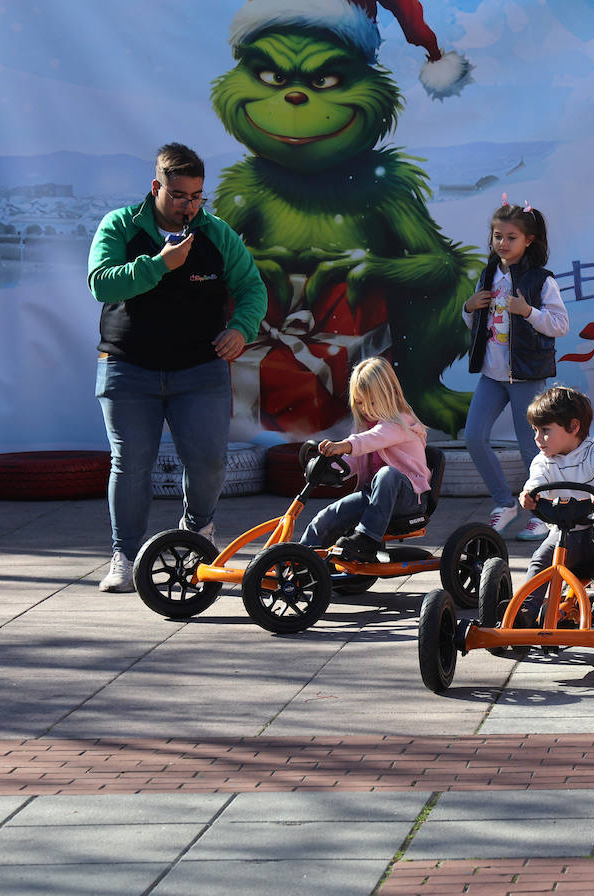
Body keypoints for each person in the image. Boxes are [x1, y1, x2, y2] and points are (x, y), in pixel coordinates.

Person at [87, 142, 267, 593]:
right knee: (131, 464)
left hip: (199, 368)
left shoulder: (216, 233)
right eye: (180, 195)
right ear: (156, 187)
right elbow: (100, 282)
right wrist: (159, 265)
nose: (189, 205)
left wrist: (242, 329)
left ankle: (197, 531)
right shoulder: (121, 225)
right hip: (128, 367)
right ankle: (125, 556)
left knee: (208, 461)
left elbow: (252, 288)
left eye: (197, 196)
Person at [463, 199, 570, 542]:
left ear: (530, 240)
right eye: (497, 236)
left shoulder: (541, 280)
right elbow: (479, 323)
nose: (502, 244)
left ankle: (542, 513)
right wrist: (468, 308)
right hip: (492, 375)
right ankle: (504, 504)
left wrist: (528, 312)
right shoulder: (488, 274)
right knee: (474, 437)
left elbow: (560, 325)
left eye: (511, 237)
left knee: (533, 448)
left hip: (526, 376)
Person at [298, 357, 432, 563]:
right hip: (373, 496)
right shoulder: (363, 427)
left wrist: (343, 445)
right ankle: (301, 563)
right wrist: (328, 468)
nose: (365, 408)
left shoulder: (399, 422)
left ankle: (367, 539)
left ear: (389, 396)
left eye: (371, 401)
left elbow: (372, 439)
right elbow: (352, 459)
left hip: (410, 500)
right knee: (326, 518)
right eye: (360, 402)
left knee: (388, 474)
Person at [519, 386, 594, 619]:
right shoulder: (543, 461)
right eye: (535, 430)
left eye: (545, 430)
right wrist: (529, 493)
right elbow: (536, 480)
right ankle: (526, 608)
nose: (537, 438)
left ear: (574, 427)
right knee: (541, 558)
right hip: (566, 538)